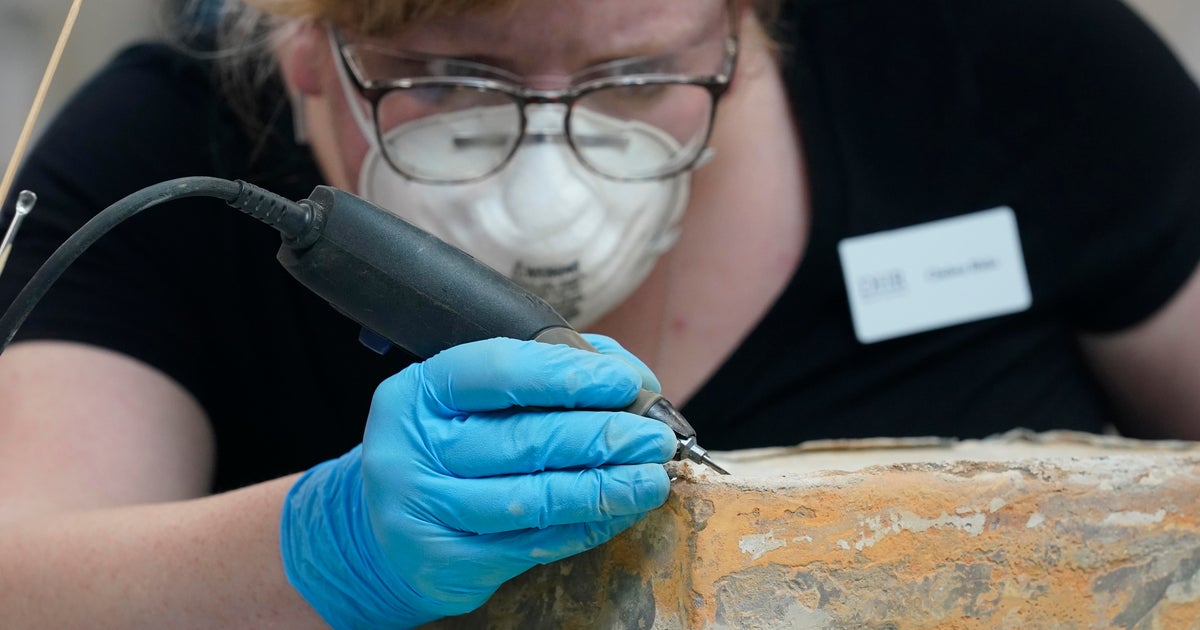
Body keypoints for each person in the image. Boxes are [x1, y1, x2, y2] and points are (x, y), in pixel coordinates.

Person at [1, 0, 1198, 626]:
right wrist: (319, 545)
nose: (548, 174)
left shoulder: (1007, 64)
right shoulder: (160, 155)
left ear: (748, 26)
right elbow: (22, 579)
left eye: (638, 82)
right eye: (455, 78)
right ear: (309, 45)